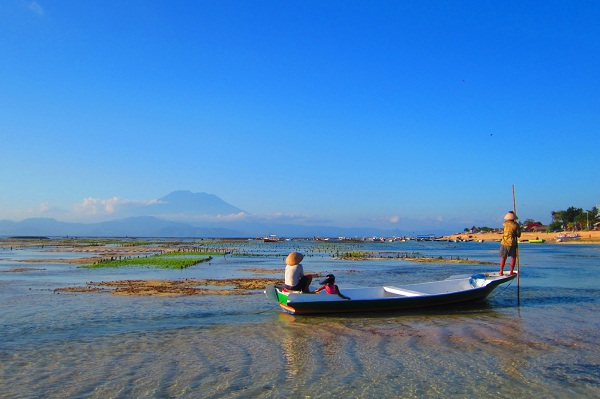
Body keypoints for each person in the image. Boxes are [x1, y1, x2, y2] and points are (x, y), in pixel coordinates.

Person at [499, 211, 521, 276]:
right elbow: (518, 235)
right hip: (512, 243)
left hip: (504, 242)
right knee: (513, 257)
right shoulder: (515, 225)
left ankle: (501, 271)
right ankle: (511, 272)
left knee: (503, 257)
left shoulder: (505, 224)